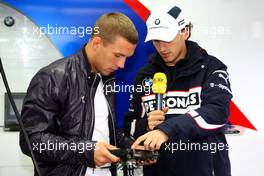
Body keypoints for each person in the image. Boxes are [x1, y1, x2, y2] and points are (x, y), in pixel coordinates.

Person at [19, 12, 138, 176]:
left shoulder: (107, 79)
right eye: (118, 55)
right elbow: (31, 141)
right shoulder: (53, 76)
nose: (122, 64)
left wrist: (131, 147)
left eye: (126, 57)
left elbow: (100, 131)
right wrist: (86, 151)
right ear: (97, 43)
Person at [124, 6, 232, 176]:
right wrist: (145, 124)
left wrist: (166, 130)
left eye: (167, 39)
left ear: (185, 32)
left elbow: (218, 112)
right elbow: (129, 126)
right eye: (156, 40)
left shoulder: (211, 68)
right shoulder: (144, 75)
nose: (161, 47)